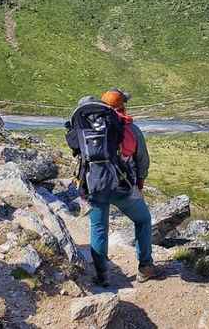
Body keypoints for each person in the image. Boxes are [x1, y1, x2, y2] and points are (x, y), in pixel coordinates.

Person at [69, 89, 160, 286]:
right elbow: (142, 160)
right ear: (122, 106)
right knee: (143, 220)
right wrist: (140, 182)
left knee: (99, 228)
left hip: (95, 185)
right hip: (123, 186)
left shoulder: (87, 127)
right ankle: (145, 267)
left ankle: (102, 276)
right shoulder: (129, 128)